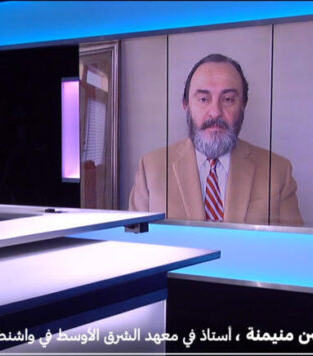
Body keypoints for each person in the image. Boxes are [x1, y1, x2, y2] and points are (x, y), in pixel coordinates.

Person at [128, 53, 302, 226]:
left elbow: (293, 242)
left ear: (243, 105)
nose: (215, 112)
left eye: (228, 99)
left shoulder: (277, 171)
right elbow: (134, 240)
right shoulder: (151, 168)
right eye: (203, 99)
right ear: (186, 105)